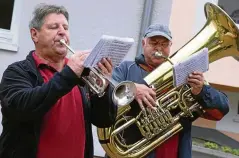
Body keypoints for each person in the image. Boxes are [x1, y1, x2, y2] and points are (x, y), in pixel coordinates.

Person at [0, 4, 117, 158]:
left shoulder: (82, 75)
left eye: (65, 27)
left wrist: (104, 87)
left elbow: (104, 120)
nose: (62, 32)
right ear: (34, 34)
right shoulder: (17, 72)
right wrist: (69, 73)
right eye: (54, 27)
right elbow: (22, 109)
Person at [106, 24, 229, 158]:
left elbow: (221, 110)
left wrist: (201, 91)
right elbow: (106, 91)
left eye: (164, 44)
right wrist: (132, 88)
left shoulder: (183, 75)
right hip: (131, 150)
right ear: (144, 43)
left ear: (170, 46)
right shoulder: (126, 68)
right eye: (154, 43)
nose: (159, 48)